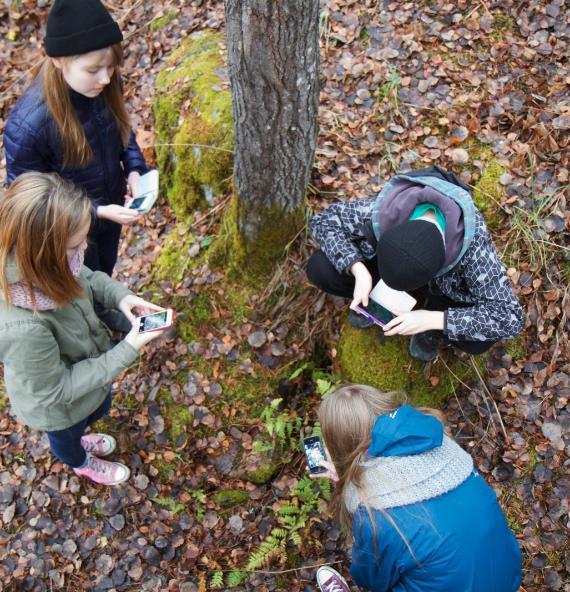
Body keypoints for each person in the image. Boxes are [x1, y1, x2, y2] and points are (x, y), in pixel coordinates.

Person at [0, 172, 168, 485]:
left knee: (94, 411)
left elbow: (85, 276)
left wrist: (122, 298)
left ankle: (81, 439)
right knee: (68, 438)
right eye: (75, 246)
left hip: (87, 376)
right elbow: (57, 391)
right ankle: (80, 462)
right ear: (42, 253)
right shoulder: (23, 328)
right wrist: (128, 346)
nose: (83, 251)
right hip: (58, 408)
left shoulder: (53, 265)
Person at [4, 0, 148, 330]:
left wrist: (136, 170)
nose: (106, 77)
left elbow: (123, 131)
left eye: (111, 67)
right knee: (77, 279)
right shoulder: (29, 125)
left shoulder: (106, 85)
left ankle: (103, 312)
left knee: (103, 269)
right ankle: (89, 330)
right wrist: (95, 212)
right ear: (58, 61)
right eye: (93, 69)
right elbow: (31, 206)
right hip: (66, 233)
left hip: (108, 213)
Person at [310, 384, 522, 592]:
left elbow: (370, 580)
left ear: (343, 447)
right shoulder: (440, 446)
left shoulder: (376, 517)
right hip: (506, 577)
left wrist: (348, 485)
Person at [306, 166, 524, 361]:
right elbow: (324, 220)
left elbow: (510, 318)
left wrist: (437, 320)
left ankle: (431, 324)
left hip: (442, 292)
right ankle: (376, 301)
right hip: (392, 265)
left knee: (478, 341)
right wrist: (358, 268)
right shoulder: (385, 211)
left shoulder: (473, 246)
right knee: (321, 268)